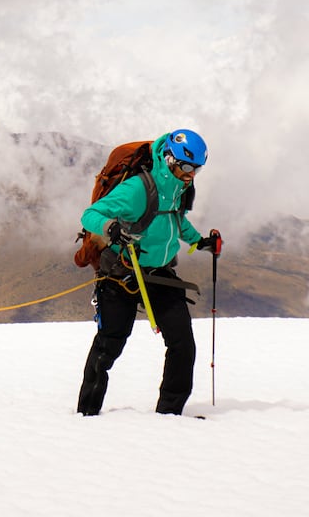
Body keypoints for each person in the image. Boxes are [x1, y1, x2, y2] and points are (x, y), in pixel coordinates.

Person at [76, 129, 221, 416]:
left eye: (197, 169)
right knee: (109, 345)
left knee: (182, 343)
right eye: (186, 167)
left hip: (160, 273)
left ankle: (169, 416)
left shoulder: (180, 186)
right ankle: (86, 415)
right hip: (121, 272)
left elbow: (176, 220)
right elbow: (90, 215)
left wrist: (198, 242)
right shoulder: (137, 189)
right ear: (169, 159)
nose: (191, 175)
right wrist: (110, 228)